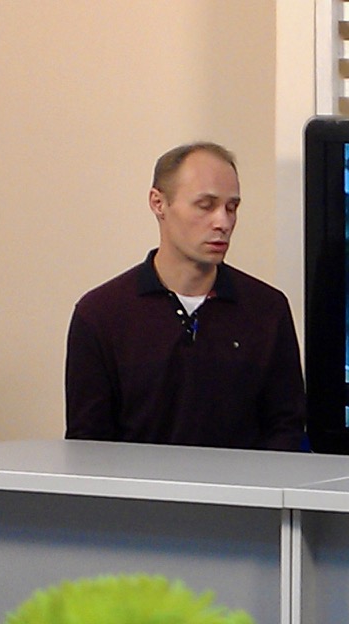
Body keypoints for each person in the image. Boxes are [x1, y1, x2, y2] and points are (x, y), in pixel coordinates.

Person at [65, 142, 306, 450]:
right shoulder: (101, 314)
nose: (223, 223)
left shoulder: (266, 309)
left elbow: (286, 429)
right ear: (158, 203)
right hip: (136, 482)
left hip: (244, 482)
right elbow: (88, 444)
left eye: (232, 208)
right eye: (205, 205)